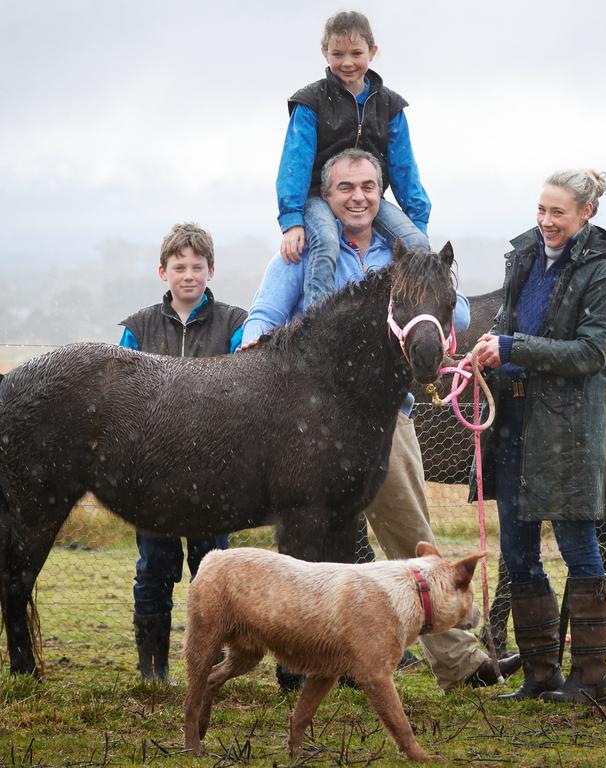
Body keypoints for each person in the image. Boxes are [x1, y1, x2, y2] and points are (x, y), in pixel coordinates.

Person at [243, 148, 520, 692]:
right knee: (319, 545)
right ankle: (319, 657)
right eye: (346, 188)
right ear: (327, 195)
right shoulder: (303, 256)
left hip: (389, 420)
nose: (359, 197)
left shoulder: (404, 254)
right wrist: (249, 356)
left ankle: (461, 664)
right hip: (316, 429)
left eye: (369, 186)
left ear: (381, 192)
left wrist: (428, 282)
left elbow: (457, 314)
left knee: (410, 535)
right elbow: (263, 317)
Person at [473, 169, 606, 705]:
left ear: (587, 213)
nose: (545, 222)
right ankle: (540, 673)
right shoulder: (525, 259)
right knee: (518, 555)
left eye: (557, 212)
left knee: (578, 551)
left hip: (568, 434)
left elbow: (591, 355)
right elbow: (506, 321)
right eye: (541, 210)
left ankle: (592, 683)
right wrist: (489, 347)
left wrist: (513, 346)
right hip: (513, 428)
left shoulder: (605, 278)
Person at [118, 222, 248, 682]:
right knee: (154, 568)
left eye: (197, 266)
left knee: (213, 572)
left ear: (212, 270)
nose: (188, 274)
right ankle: (153, 672)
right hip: (152, 477)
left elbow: (245, 390)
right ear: (162, 272)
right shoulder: (138, 329)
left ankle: (210, 670)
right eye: (179, 266)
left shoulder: (237, 324)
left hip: (215, 476)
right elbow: (122, 401)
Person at [277, 10, 430, 313]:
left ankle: (413, 317)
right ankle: (316, 324)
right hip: (316, 196)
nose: (347, 62)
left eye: (356, 53)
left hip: (366, 196)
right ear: (325, 52)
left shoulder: (390, 105)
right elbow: (294, 162)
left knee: (418, 247)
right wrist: (292, 221)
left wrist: (418, 219)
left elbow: (404, 168)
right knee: (327, 244)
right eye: (338, 53)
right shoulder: (311, 102)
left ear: (373, 52)